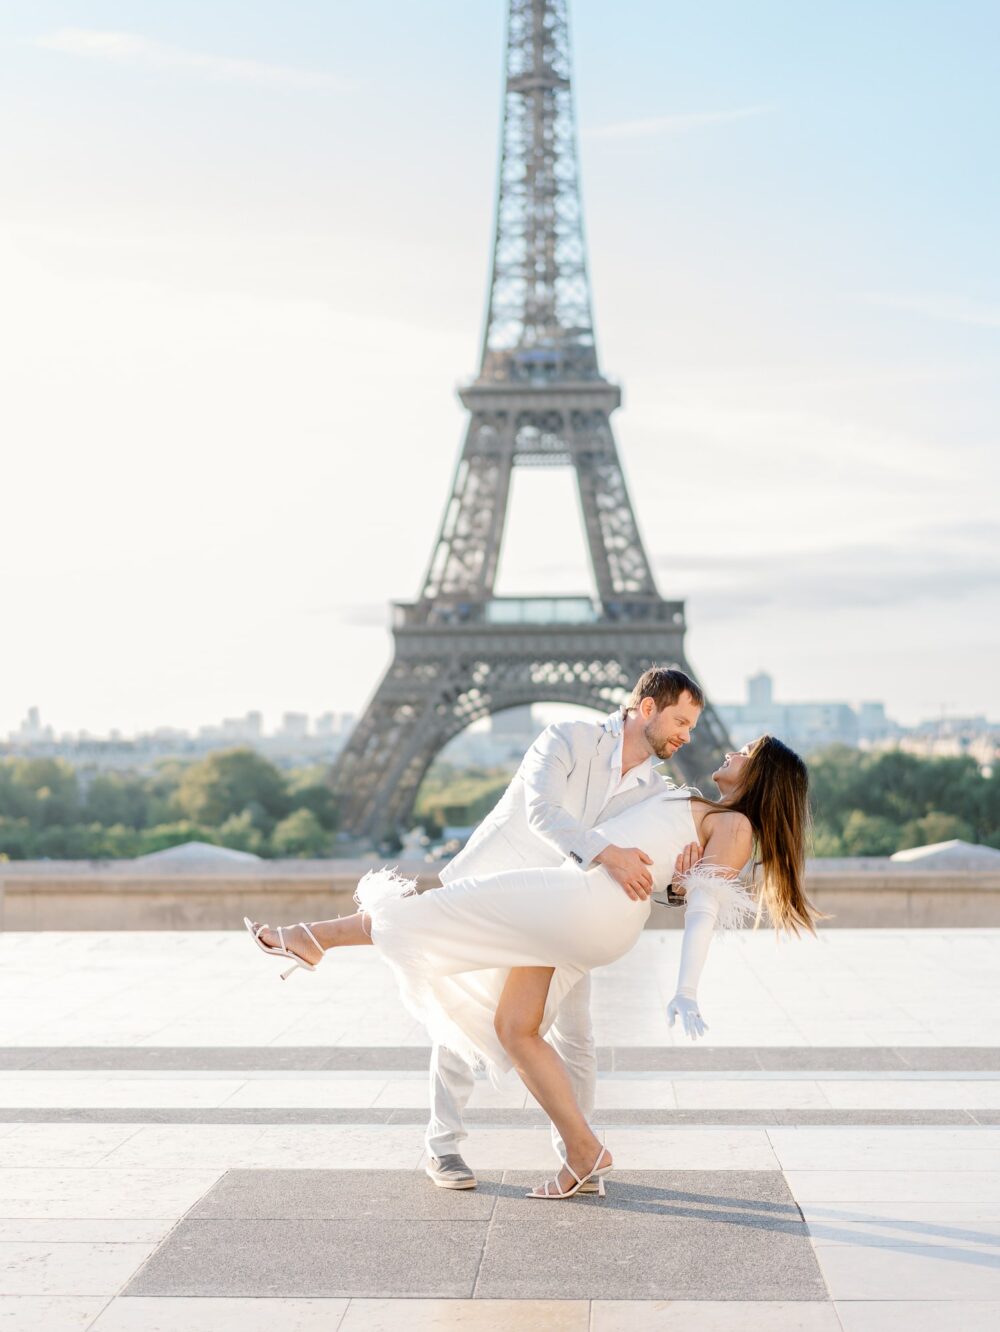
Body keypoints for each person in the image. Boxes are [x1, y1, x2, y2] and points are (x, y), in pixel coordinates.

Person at [245, 730, 820, 1202]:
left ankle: (310, 938)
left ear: (760, 774)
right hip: (587, 906)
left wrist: (686, 989)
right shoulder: (672, 789)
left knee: (441, 911)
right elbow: (666, 872)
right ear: (647, 709)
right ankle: (582, 1149)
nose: (728, 748)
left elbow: (704, 909)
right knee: (514, 1029)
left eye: (746, 751)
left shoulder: (735, 826)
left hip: (581, 900)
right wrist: (675, 878)